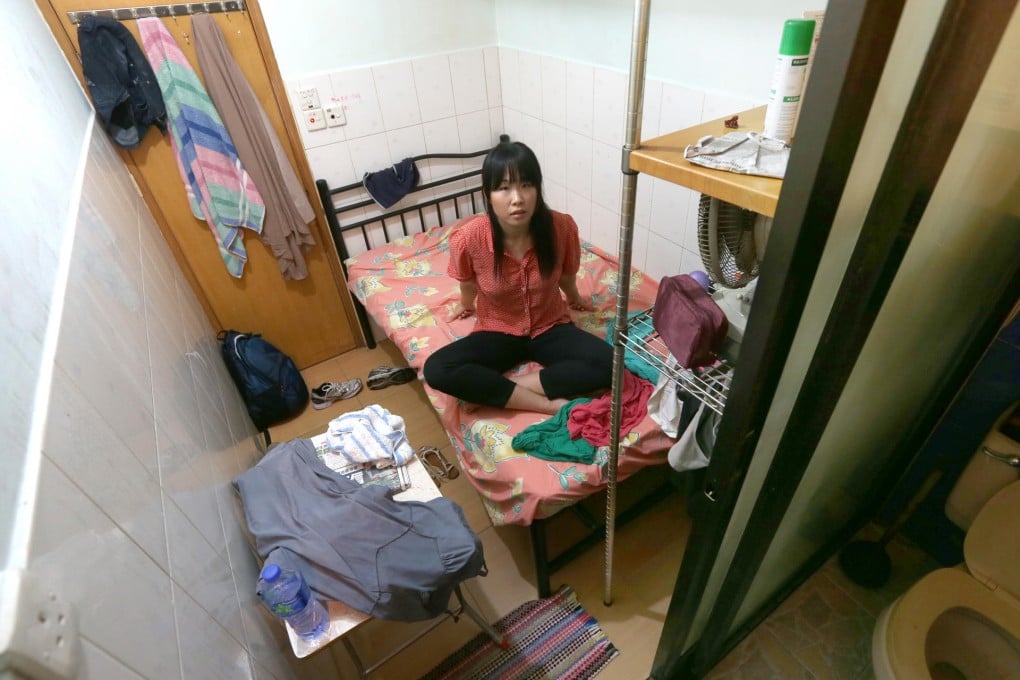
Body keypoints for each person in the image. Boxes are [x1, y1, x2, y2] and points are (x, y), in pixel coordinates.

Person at [423, 140, 613, 415]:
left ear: (537, 188)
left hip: (550, 327)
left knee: (610, 363)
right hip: (497, 331)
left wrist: (574, 299)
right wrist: (466, 305)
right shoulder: (468, 238)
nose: (517, 198)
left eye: (526, 185)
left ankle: (497, 389)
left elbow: (566, 277)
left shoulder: (561, 227)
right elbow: (468, 284)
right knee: (437, 369)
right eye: (503, 188)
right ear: (488, 194)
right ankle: (545, 404)